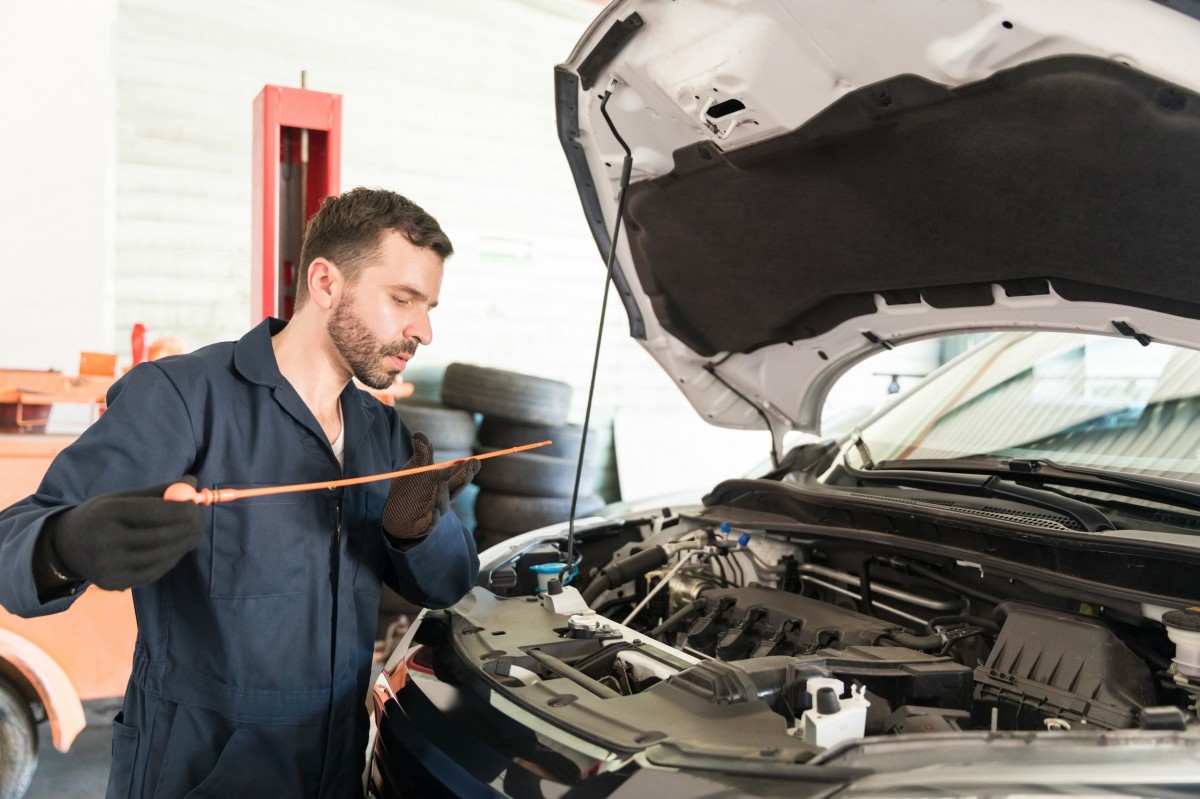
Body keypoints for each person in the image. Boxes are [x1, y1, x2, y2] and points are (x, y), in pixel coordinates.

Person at [0, 187, 480, 798]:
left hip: (334, 771)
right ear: (326, 283)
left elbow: (447, 584)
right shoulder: (183, 399)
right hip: (202, 775)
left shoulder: (380, 432)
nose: (425, 331)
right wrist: (64, 545)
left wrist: (420, 532)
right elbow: (12, 545)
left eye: (430, 306)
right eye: (403, 299)